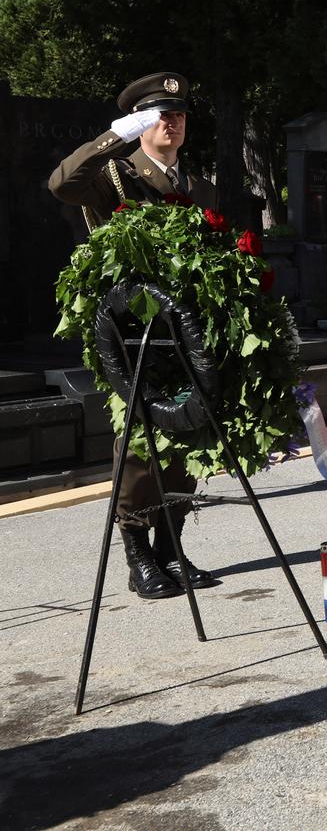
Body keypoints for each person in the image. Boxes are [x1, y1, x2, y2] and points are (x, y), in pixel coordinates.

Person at [48, 72, 221, 600]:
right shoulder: (116, 179)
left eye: (178, 115)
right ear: (141, 124)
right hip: (133, 332)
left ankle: (171, 543)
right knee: (142, 436)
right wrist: (114, 137)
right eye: (159, 116)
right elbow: (61, 183)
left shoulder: (200, 187)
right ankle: (137, 551)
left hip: (188, 332)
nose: (171, 123)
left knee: (192, 429)